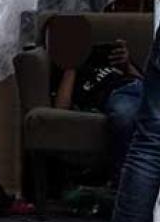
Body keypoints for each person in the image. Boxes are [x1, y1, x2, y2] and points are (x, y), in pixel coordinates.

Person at [53, 39, 144, 187]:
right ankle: (124, 187)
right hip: (118, 95)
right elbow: (60, 111)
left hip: (138, 87)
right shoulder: (64, 72)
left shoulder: (101, 56)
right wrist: (71, 67)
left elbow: (142, 80)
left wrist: (127, 64)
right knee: (126, 116)